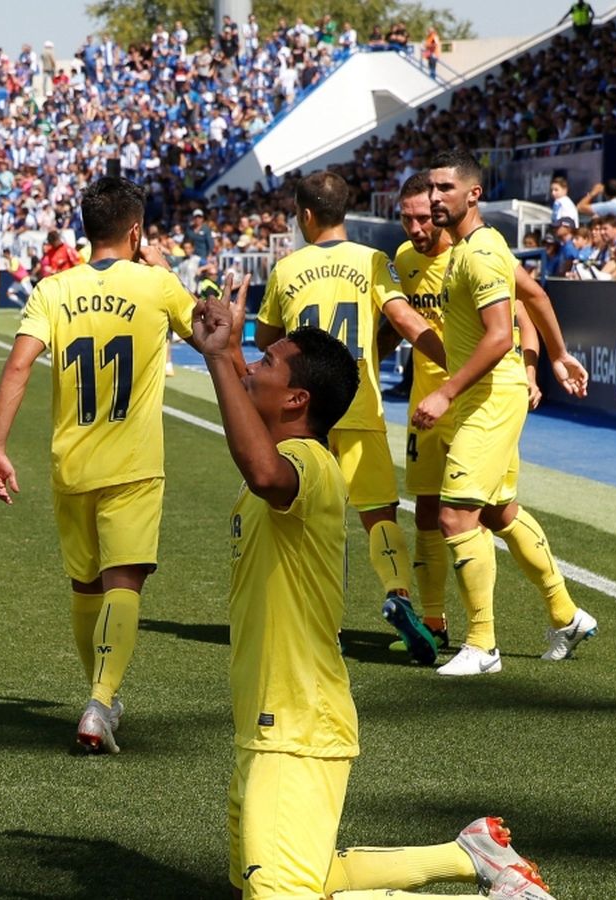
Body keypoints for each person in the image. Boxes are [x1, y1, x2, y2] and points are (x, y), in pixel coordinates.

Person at [192, 283, 557, 900]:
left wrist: (216, 360)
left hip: (295, 726)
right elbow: (255, 433)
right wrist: (223, 347)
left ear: (297, 399)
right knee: (294, 879)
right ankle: (468, 855)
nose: (251, 366)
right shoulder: (290, 453)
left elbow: (261, 471)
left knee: (283, 895)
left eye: (266, 362)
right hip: (272, 722)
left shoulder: (306, 464)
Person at [0, 176, 196, 754]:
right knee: (124, 581)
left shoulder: (53, 289)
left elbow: (18, 366)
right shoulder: (156, 284)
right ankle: (100, 702)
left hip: (71, 463)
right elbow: (210, 334)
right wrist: (167, 270)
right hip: (133, 464)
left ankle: (102, 698)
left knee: (85, 586)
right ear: (136, 231)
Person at [253, 170, 448, 665]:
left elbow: (264, 338)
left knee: (311, 518)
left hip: (304, 416)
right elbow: (406, 320)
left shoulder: (287, 268)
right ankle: (400, 597)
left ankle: (325, 624)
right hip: (358, 405)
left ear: (305, 215)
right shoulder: (373, 260)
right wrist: (457, 363)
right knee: (378, 514)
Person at [413, 150, 596, 677]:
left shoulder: (479, 253)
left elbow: (498, 337)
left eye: (445, 188)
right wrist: (558, 355)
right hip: (491, 395)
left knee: (454, 516)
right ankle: (566, 616)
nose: (434, 198)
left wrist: (445, 394)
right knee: (498, 512)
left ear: (473, 194)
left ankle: (482, 645)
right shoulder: (480, 245)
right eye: (431, 188)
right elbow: (533, 292)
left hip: (489, 399)